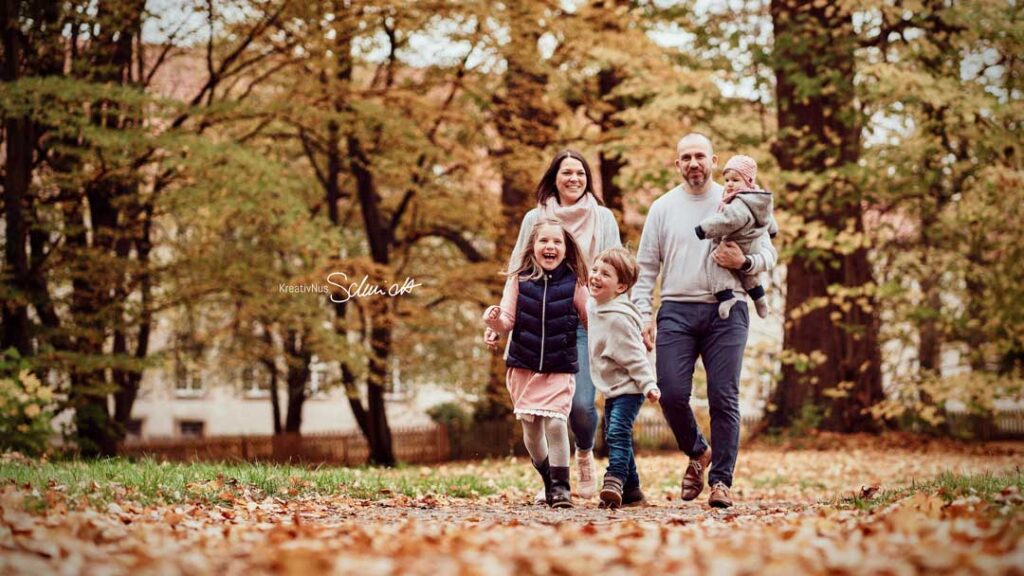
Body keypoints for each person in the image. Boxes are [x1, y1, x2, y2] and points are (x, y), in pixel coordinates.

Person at [633, 133, 777, 508]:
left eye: (700, 156)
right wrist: (643, 314)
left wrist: (744, 264)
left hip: (727, 311)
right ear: (677, 164)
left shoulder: (739, 198)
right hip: (676, 310)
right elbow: (646, 268)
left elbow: (768, 254)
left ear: (714, 161)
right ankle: (698, 451)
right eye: (686, 157)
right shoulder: (662, 207)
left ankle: (721, 482)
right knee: (672, 391)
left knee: (723, 395)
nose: (693, 163)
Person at [486, 149, 621, 500]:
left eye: (580, 172)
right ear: (555, 178)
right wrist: (499, 319)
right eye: (566, 173)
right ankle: (555, 482)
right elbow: (516, 268)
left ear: (588, 178)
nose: (574, 178)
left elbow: (618, 268)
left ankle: (584, 452)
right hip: (536, 320)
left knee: (580, 405)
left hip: (580, 314)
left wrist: (615, 323)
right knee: (533, 422)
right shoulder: (535, 218)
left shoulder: (602, 217)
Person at [483, 217, 591, 508]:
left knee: (556, 424)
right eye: (544, 241)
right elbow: (507, 320)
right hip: (524, 366)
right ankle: (548, 480)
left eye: (557, 242)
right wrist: (494, 320)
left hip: (559, 365)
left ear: (566, 249)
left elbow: (590, 318)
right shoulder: (518, 280)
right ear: (532, 247)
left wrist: (612, 335)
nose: (550, 246)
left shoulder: (576, 282)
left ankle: (561, 488)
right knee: (531, 431)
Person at [586, 247, 661, 509]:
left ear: (621, 287)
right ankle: (633, 492)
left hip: (632, 385)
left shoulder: (618, 319)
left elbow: (636, 357)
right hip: (613, 385)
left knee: (617, 431)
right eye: (595, 269)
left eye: (605, 274)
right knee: (615, 431)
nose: (596, 276)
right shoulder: (595, 305)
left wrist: (649, 384)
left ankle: (614, 479)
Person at [695, 154, 777, 319]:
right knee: (748, 276)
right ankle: (759, 298)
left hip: (737, 244)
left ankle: (725, 296)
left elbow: (726, 221)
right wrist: (772, 230)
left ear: (748, 181)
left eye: (735, 180)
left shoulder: (739, 203)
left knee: (716, 261)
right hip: (751, 247)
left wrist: (704, 229)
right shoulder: (760, 199)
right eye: (727, 180)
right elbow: (769, 220)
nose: (729, 184)